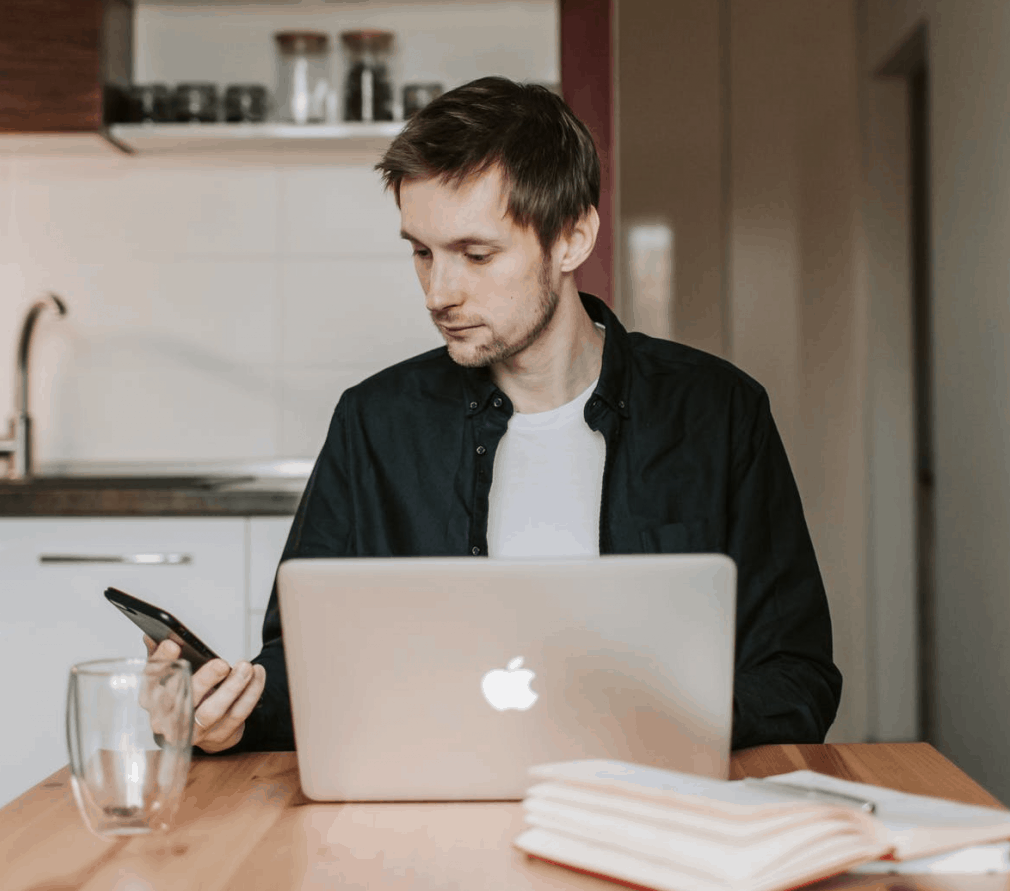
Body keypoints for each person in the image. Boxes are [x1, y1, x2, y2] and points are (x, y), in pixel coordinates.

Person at [147, 76, 842, 755]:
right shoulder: (374, 423)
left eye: (476, 254)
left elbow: (797, 676)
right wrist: (228, 712)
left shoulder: (718, 413)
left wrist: (666, 719)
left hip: (649, 808)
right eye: (421, 252)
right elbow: (300, 665)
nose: (438, 292)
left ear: (571, 237)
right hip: (425, 817)